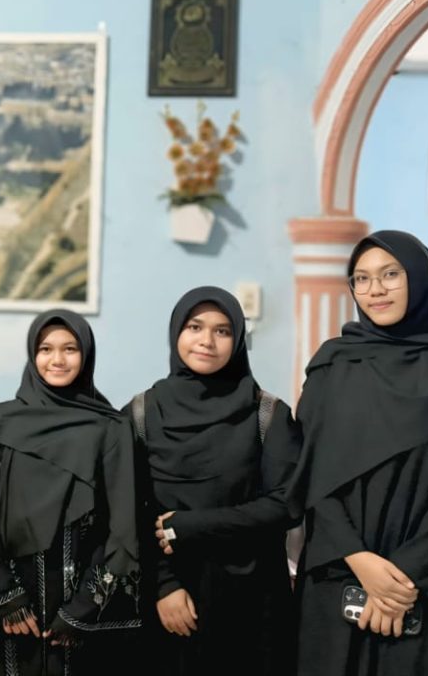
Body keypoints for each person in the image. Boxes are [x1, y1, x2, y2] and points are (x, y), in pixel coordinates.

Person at [295, 230, 428, 675]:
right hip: (339, 571)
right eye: (361, 278)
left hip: (426, 585)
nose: (375, 289)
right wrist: (360, 561)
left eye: (390, 274)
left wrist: (402, 579)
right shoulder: (332, 366)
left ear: (420, 277)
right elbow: (310, 472)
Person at [131, 286, 301, 676]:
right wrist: (164, 586)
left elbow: (285, 504)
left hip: (253, 605)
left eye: (222, 331)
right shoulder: (142, 414)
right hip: (170, 603)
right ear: (176, 332)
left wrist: (192, 525)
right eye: (195, 327)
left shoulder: (267, 414)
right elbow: (130, 508)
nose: (207, 340)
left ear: (238, 340)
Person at [0, 310, 142, 675]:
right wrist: (6, 599)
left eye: (70, 349)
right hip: (17, 610)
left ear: (86, 355)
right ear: (33, 354)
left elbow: (123, 525)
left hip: (84, 608)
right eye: (46, 349)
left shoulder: (111, 429)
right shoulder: (0, 424)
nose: (57, 359)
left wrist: (85, 607)